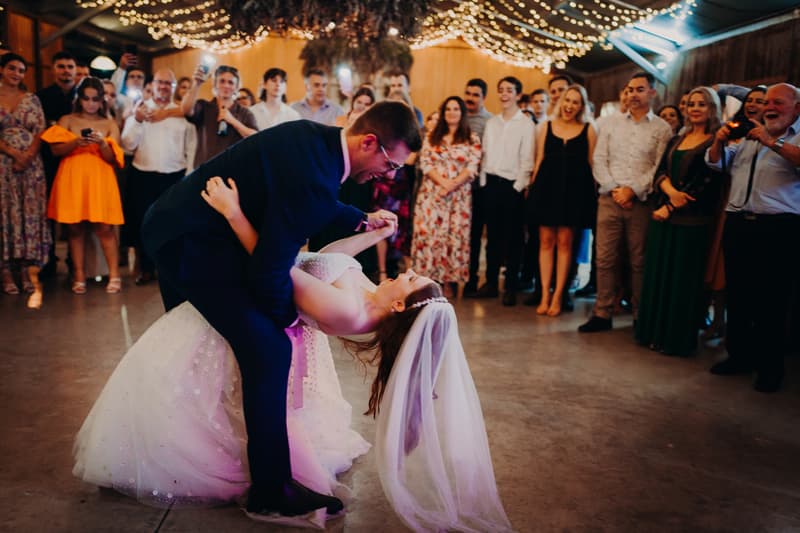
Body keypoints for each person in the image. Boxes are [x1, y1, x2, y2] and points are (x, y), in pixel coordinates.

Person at [77, 175, 511, 531]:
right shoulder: (372, 296)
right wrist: (370, 231)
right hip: (263, 310)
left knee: (194, 398)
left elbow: (278, 269)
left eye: (413, 279)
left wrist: (234, 213)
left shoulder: (349, 310)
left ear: (401, 306)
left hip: (254, 312)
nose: (410, 270)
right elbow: (328, 259)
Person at [140, 101, 422, 521]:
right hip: (190, 243)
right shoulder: (317, 178)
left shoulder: (315, 140)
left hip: (181, 223)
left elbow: (314, 200)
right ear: (369, 142)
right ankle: (270, 490)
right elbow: (271, 271)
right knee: (270, 349)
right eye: (391, 164)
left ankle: (201, 446)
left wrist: (359, 220)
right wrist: (290, 320)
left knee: (208, 341)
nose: (389, 175)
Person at [704, 82, 800, 393]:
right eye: (766, 101)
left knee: (772, 300)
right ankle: (738, 357)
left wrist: (771, 142)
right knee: (740, 295)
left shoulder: (792, 137)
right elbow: (717, 163)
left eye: (778, 102)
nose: (769, 106)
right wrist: (718, 142)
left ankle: (770, 368)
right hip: (739, 223)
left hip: (777, 227)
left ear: (796, 108)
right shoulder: (749, 136)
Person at [579, 72, 672, 332]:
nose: (633, 94)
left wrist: (632, 190)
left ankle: (640, 314)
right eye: (630, 89)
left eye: (639, 90)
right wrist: (614, 189)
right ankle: (602, 312)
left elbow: (658, 166)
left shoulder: (662, 128)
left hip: (641, 202)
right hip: (609, 199)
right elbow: (599, 159)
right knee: (604, 258)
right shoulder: (610, 123)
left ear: (652, 93)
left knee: (638, 260)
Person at [635, 86, 725, 355]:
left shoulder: (714, 143)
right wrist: (670, 195)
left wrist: (673, 206)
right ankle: (653, 333)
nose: (695, 108)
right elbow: (661, 170)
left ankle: (675, 340)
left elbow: (706, 184)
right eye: (692, 104)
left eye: (702, 104)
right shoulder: (677, 138)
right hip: (664, 216)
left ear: (712, 109)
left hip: (692, 223)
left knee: (681, 282)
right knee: (659, 276)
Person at [42, 77, 124, 295]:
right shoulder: (67, 119)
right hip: (72, 176)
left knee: (105, 228)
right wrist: (75, 142)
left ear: (102, 101)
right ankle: (78, 274)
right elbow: (55, 151)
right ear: (80, 99)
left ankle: (115, 274)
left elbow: (112, 159)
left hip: (100, 177)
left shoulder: (109, 124)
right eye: (86, 98)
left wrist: (102, 143)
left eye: (95, 99)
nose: (90, 103)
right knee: (74, 228)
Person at [527, 84, 597, 316]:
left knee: (565, 243)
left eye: (575, 102)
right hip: (546, 189)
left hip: (574, 193)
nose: (570, 106)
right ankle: (545, 294)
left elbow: (591, 166)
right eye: (567, 100)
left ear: (581, 106)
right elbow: (538, 161)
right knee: (545, 242)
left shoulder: (588, 129)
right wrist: (532, 190)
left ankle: (558, 295)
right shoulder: (545, 126)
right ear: (561, 101)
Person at [120, 69, 194, 286]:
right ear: (152, 84)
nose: (164, 87)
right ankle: (146, 268)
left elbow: (191, 145)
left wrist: (189, 174)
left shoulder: (181, 113)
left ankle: (169, 270)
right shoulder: (140, 110)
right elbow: (128, 144)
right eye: (160, 82)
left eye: (168, 84)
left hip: (174, 176)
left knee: (172, 225)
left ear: (173, 87)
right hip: (143, 174)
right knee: (144, 224)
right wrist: (137, 120)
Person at [472, 76, 535, 306]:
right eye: (501, 90)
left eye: (509, 90)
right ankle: (490, 283)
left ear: (518, 94)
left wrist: (518, 187)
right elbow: (485, 154)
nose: (504, 94)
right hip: (491, 183)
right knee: (493, 237)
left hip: (513, 185)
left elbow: (527, 160)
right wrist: (484, 182)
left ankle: (510, 286)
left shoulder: (526, 124)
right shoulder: (492, 123)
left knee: (514, 239)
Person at [412, 96, 481, 298]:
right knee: (430, 236)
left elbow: (472, 167)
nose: (452, 112)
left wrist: (452, 185)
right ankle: (429, 280)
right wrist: (443, 184)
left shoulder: (471, 138)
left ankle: (449, 281)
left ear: (462, 113)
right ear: (443, 113)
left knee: (453, 238)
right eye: (448, 109)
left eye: (456, 109)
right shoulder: (432, 135)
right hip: (432, 194)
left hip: (458, 198)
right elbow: (425, 163)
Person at [0, 53, 50, 308]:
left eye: (21, 70)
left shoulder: (31, 99)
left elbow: (41, 130)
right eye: (12, 68)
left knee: (28, 214)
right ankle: (6, 270)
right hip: (3, 165)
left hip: (30, 167)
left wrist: (28, 155)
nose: (17, 74)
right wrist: (13, 153)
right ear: (2, 69)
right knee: (7, 214)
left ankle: (25, 270)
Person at [181, 64, 257, 166]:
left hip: (233, 170)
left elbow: (255, 138)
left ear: (236, 87)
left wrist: (233, 121)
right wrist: (197, 83)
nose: (226, 86)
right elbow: (186, 109)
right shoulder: (204, 107)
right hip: (204, 169)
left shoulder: (244, 112)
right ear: (215, 84)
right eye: (222, 81)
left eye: (231, 82)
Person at [463, 78, 493, 297]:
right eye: (468, 93)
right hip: (458, 188)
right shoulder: (458, 116)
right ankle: (465, 278)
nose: (470, 98)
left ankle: (476, 278)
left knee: (477, 236)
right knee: (464, 237)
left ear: (483, 98)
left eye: (475, 95)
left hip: (479, 186)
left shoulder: (490, 122)